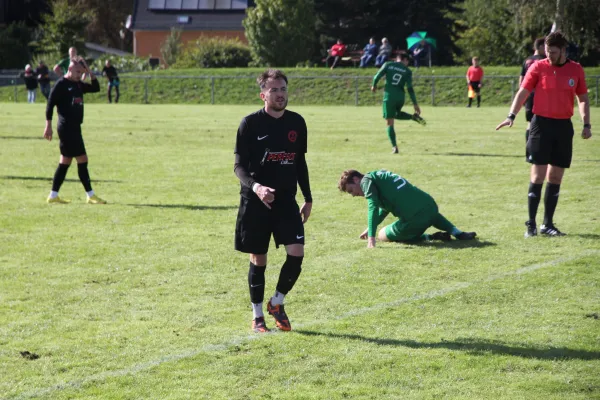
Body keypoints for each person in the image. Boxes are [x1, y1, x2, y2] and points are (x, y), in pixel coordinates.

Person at [234, 69, 312, 333]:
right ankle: (257, 316)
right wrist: (256, 188)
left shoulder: (297, 123)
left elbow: (300, 162)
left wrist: (308, 197)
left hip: (286, 200)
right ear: (263, 95)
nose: (280, 95)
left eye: (283, 89)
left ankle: (276, 302)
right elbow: (239, 167)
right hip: (256, 202)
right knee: (259, 258)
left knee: (297, 254)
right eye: (274, 90)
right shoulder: (249, 124)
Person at [495, 31, 591, 237]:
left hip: (563, 127)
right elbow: (523, 91)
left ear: (564, 50)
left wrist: (587, 124)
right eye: (547, 51)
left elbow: (582, 98)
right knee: (538, 175)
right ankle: (530, 223)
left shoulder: (576, 69)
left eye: (554, 52)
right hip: (541, 125)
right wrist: (511, 115)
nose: (549, 55)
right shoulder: (538, 66)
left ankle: (547, 225)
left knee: (556, 176)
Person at [338, 169, 477, 248]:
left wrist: (372, 239)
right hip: (430, 205)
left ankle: (429, 237)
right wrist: (369, 228)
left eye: (351, 190)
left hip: (415, 219)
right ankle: (457, 232)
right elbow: (385, 208)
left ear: (356, 179)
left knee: (383, 234)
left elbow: (373, 206)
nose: (353, 195)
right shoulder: (376, 177)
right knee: (430, 214)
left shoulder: (366, 181)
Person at [44, 58, 106, 205]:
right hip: (67, 128)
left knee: (65, 161)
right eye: (77, 72)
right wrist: (48, 125)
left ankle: (53, 195)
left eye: (81, 72)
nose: (80, 74)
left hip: (74, 128)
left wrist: (89, 71)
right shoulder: (61, 85)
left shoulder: (77, 84)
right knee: (82, 159)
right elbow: (50, 104)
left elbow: (96, 88)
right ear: (69, 70)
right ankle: (90, 195)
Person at [371, 52, 426, 154]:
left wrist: (374, 85)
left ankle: (394, 147)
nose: (407, 64)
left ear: (397, 58)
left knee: (389, 122)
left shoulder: (388, 65)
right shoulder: (407, 71)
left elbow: (377, 76)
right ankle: (413, 117)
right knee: (396, 114)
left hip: (389, 97)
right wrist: (415, 104)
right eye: (407, 62)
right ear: (404, 60)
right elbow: (409, 88)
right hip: (401, 97)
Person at [520, 37, 546, 162]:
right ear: (540, 47)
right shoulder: (544, 61)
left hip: (529, 95)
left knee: (530, 124)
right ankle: (540, 153)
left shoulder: (526, 61)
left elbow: (522, 81)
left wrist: (523, 97)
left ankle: (528, 154)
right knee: (544, 125)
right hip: (542, 95)